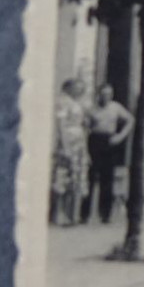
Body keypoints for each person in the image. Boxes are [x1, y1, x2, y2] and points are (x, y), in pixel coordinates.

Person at [82, 84, 134, 224]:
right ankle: (84, 214)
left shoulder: (115, 107)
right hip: (94, 140)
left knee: (107, 178)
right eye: (103, 94)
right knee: (90, 177)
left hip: (109, 140)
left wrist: (120, 136)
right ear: (98, 94)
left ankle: (105, 214)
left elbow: (130, 120)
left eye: (109, 94)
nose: (106, 97)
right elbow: (86, 127)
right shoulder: (91, 109)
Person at [50, 78, 88, 226]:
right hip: (68, 141)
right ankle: (58, 214)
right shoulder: (63, 102)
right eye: (77, 88)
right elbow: (61, 125)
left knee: (75, 178)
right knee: (62, 177)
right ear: (69, 87)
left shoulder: (76, 102)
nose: (80, 91)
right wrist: (65, 146)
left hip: (78, 142)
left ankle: (71, 214)